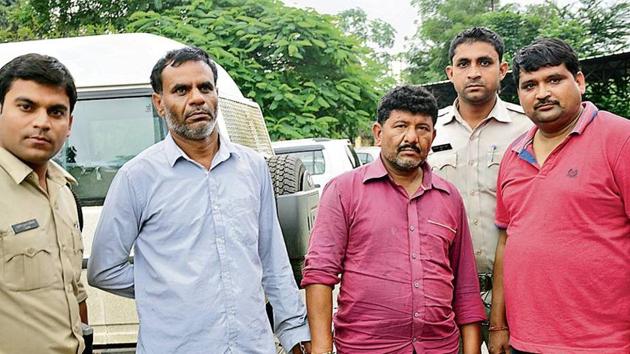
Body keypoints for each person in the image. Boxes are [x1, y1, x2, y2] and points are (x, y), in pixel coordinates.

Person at [87, 47, 311, 354]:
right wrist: (166, 287)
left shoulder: (253, 167)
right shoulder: (137, 177)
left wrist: (295, 332)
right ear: (159, 104)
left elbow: (272, 259)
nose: (196, 98)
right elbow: (103, 269)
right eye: (180, 90)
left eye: (205, 87)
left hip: (252, 346)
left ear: (216, 94)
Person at [303, 85, 486, 354]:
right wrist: (321, 348)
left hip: (439, 347)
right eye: (400, 126)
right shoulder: (344, 190)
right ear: (379, 133)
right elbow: (319, 273)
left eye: (422, 128)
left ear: (433, 136)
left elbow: (466, 286)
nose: (411, 137)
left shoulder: (449, 197)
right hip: (366, 348)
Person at [490, 38, 630, 354]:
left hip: (604, 344)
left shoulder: (620, 139)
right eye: (530, 85)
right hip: (526, 342)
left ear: (579, 81)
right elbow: (506, 240)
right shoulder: (513, 155)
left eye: (554, 79)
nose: (542, 93)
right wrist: (498, 325)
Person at [429, 27, 532, 346]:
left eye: (484, 62)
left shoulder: (528, 127)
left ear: (502, 70)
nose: (473, 72)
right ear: (450, 73)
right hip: (447, 292)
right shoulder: (429, 130)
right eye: (463, 64)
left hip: (517, 291)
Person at [0, 53, 88, 353]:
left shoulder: (63, 192)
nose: (42, 122)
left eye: (56, 111)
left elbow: (74, 291)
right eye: (26, 107)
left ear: (69, 123)